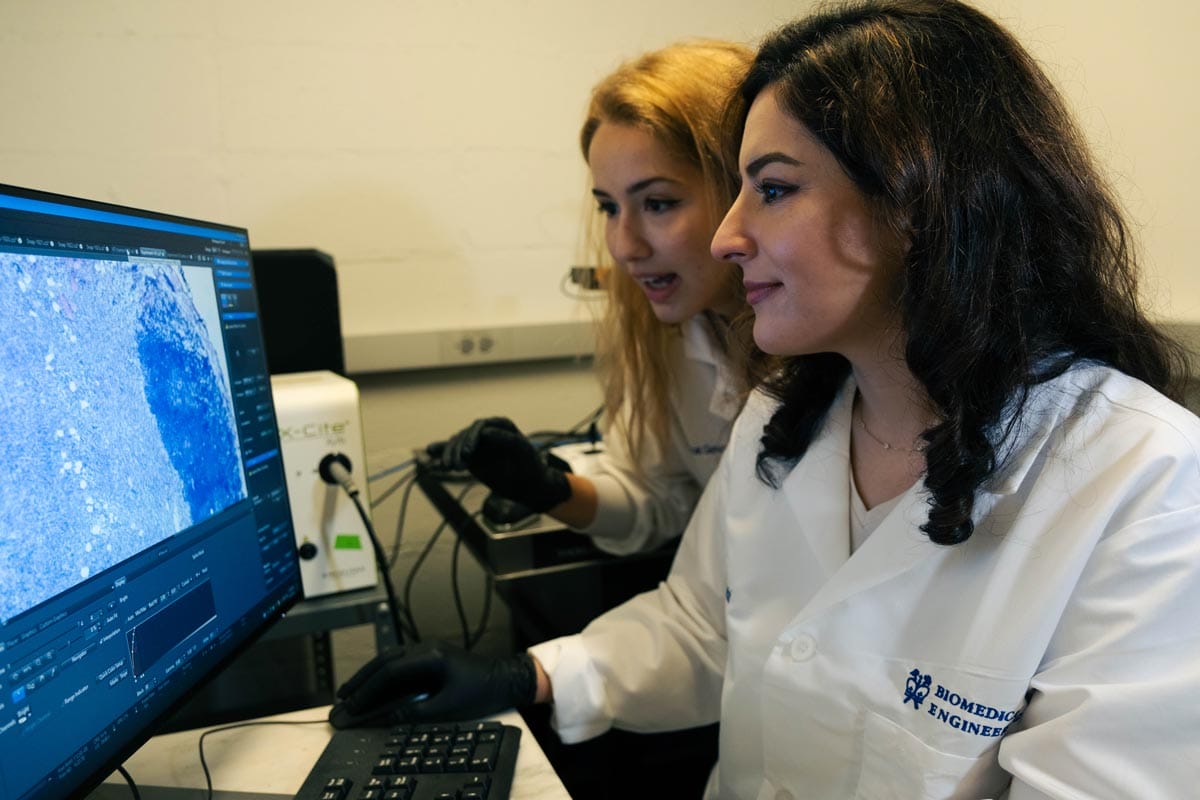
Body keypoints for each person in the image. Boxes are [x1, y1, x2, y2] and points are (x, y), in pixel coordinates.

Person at [334, 2, 1200, 798]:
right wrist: (536, 675)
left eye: (774, 189)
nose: (725, 235)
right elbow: (705, 626)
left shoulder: (1143, 483)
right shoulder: (788, 415)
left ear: (923, 200)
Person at [426, 39, 766, 557]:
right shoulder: (671, 337)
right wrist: (547, 489)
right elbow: (659, 499)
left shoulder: (839, 349)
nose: (624, 246)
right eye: (609, 207)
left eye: (658, 203)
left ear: (746, 189)